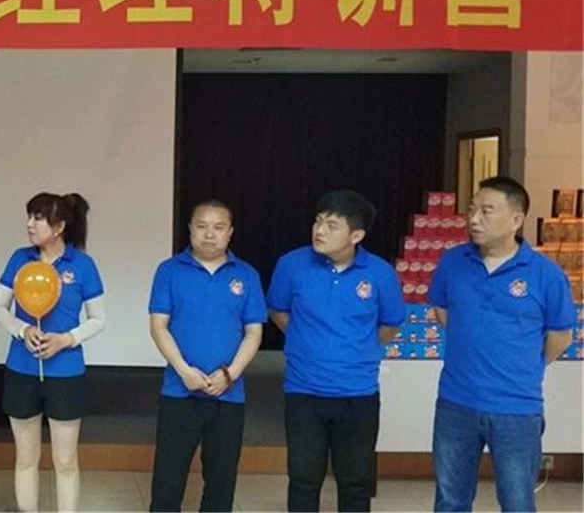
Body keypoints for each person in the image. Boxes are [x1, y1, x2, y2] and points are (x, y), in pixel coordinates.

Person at [430, 176, 574, 512]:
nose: (474, 219)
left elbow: (560, 336)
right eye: (472, 210)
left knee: (517, 502)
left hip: (517, 408)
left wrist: (526, 365)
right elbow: (442, 311)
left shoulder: (545, 274)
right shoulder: (452, 262)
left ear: (516, 220)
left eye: (486, 211)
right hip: (456, 403)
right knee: (450, 501)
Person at [267, 190, 405, 512]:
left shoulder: (380, 273)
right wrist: (307, 339)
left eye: (331, 225)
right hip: (304, 391)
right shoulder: (291, 264)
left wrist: (355, 347)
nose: (319, 231)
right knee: (303, 479)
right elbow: (278, 311)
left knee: (355, 482)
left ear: (356, 235)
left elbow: (389, 325)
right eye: (318, 221)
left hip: (358, 394)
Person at [147, 199, 266, 512]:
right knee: (167, 480)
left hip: (228, 394)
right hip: (179, 390)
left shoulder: (247, 274)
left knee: (221, 481)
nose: (209, 234)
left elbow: (254, 332)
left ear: (230, 232)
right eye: (202, 226)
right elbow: (158, 326)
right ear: (190, 229)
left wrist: (230, 374)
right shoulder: (169, 270)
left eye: (218, 227)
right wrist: (183, 370)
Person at [0, 193, 106, 512]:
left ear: (59, 227)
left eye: (38, 218)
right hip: (21, 369)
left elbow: (98, 319)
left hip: (66, 373)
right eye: (29, 217)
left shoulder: (82, 265)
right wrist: (23, 330)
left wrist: (66, 339)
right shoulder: (20, 258)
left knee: (65, 461)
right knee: (26, 458)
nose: (30, 224)